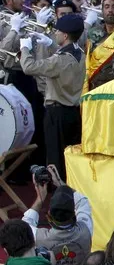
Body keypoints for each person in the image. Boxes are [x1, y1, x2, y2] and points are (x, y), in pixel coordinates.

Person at [18, 14, 86, 176]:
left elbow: (29, 67)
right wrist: (52, 44)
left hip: (57, 114)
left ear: (65, 35)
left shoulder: (59, 60)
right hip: (73, 113)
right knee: (70, 160)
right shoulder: (80, 54)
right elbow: (66, 57)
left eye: (57, 32)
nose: (55, 34)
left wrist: (25, 48)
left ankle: (58, 195)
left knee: (55, 161)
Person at [24, 167, 92, 265]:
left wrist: (40, 199)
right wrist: (60, 183)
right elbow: (82, 201)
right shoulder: (85, 229)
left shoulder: (38, 237)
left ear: (49, 215)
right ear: (74, 214)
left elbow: (24, 225)